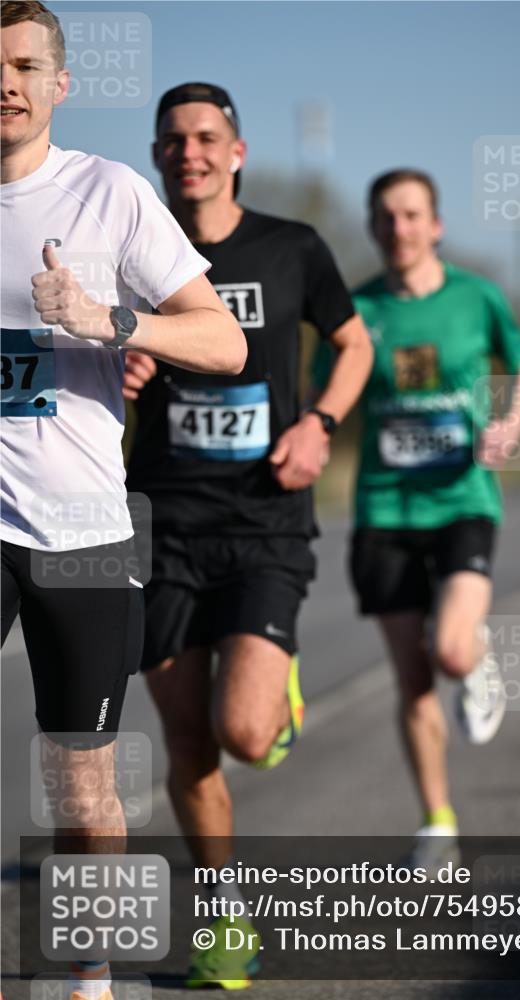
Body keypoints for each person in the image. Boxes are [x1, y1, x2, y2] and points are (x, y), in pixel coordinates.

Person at [0, 7, 246, 1000]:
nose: (6, 84)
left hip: (85, 538)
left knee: (80, 781)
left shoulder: (109, 193)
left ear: (59, 84)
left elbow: (223, 340)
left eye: (26, 66)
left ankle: (91, 977)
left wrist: (110, 318)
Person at [123, 83, 372, 988]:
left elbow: (354, 344)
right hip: (162, 523)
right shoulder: (131, 252)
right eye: (171, 140)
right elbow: (86, 358)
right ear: (157, 157)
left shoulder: (290, 246)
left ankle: (275, 700)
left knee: (242, 730)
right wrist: (120, 363)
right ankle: (226, 919)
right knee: (188, 743)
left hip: (265, 519)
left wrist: (320, 424)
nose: (187, 152)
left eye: (205, 137)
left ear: (236, 153)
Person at [312, 168, 520, 870]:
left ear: (435, 225)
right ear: (372, 227)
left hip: (462, 500)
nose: (399, 228)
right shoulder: (356, 309)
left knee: (449, 650)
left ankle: (475, 657)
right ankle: (438, 822)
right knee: (412, 682)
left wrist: (510, 423)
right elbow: (327, 395)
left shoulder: (477, 297)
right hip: (384, 508)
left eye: (411, 215)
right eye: (385, 217)